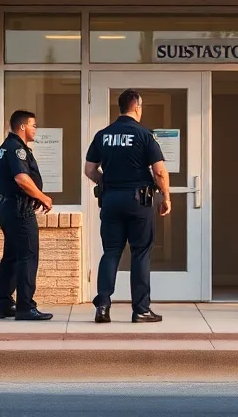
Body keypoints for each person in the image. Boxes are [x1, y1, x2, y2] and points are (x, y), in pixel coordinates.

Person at [85, 89, 171, 324]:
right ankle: (141, 310)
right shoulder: (144, 135)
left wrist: (107, 183)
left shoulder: (103, 135)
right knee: (140, 253)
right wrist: (166, 197)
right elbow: (160, 171)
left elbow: (90, 170)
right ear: (137, 107)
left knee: (111, 252)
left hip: (111, 200)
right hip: (138, 202)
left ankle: (102, 306)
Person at [0, 110, 55, 321]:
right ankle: (25, 307)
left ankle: (3, 304)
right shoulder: (16, 149)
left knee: (11, 257)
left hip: (7, 207)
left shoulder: (5, 147)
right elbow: (21, 179)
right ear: (22, 127)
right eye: (33, 125)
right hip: (19, 210)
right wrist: (43, 197)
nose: (35, 129)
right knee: (28, 256)